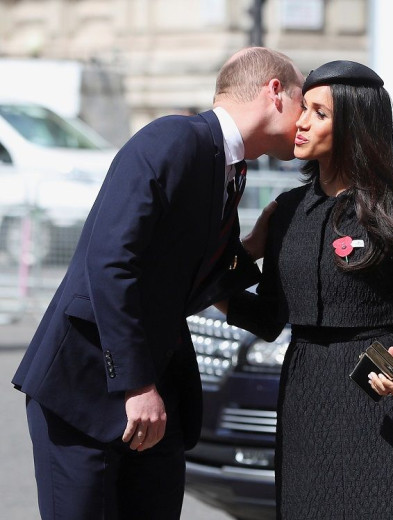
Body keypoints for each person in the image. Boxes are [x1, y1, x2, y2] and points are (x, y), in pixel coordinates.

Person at [11, 46, 304, 519]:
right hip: (86, 392)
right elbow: (110, 262)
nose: (308, 120)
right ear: (275, 93)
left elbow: (185, 274)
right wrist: (137, 385)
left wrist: (250, 249)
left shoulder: (232, 168)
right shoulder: (174, 138)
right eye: (304, 102)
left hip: (154, 404)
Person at [219, 60, 393, 519]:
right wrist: (213, 275)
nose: (300, 122)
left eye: (318, 113)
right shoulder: (286, 211)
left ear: (356, 125)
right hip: (307, 397)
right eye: (303, 108)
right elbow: (267, 318)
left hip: (385, 399)